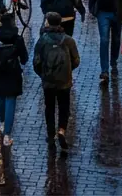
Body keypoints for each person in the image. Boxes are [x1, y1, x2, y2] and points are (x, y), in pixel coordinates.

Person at [33, 11, 82, 149]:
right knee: (64, 107)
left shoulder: (42, 40)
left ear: (48, 22)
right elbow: (76, 61)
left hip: (48, 81)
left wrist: (43, 74)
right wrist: (67, 71)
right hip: (64, 81)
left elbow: (36, 62)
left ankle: (50, 135)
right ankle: (61, 130)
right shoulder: (68, 40)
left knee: (49, 108)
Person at [0, 13, 28, 148]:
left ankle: (2, 121)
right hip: (13, 74)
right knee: (11, 101)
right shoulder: (17, 39)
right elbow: (25, 59)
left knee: (1, 98)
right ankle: (7, 134)